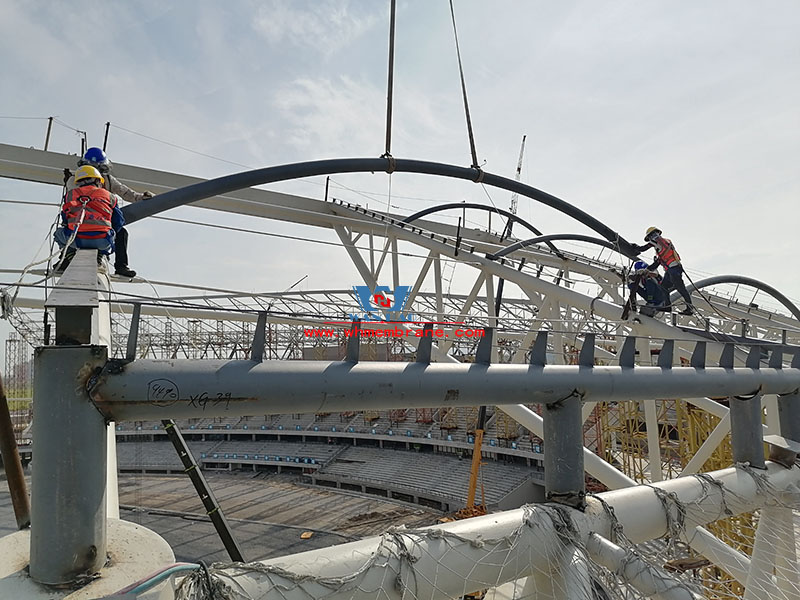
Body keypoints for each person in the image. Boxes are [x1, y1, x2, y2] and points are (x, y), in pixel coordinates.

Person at [65, 147, 151, 276]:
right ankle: (65, 260)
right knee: (119, 232)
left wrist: (141, 197)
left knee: (67, 229)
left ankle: (65, 261)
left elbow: (126, 192)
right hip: (88, 220)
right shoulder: (75, 180)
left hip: (88, 221)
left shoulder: (103, 180)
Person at [54, 165, 136, 277]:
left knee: (59, 233)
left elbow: (65, 219)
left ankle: (67, 258)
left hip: (75, 241)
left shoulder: (70, 195)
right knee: (122, 232)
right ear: (98, 181)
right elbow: (118, 221)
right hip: (103, 242)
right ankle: (117, 265)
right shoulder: (109, 196)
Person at [636, 227, 694, 315]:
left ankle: (690, 309)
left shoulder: (655, 242)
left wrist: (633, 246)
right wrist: (647, 270)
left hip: (673, 269)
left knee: (681, 289)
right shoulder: (666, 242)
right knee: (663, 286)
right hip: (672, 269)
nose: (652, 238)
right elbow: (658, 262)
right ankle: (667, 306)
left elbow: (642, 248)